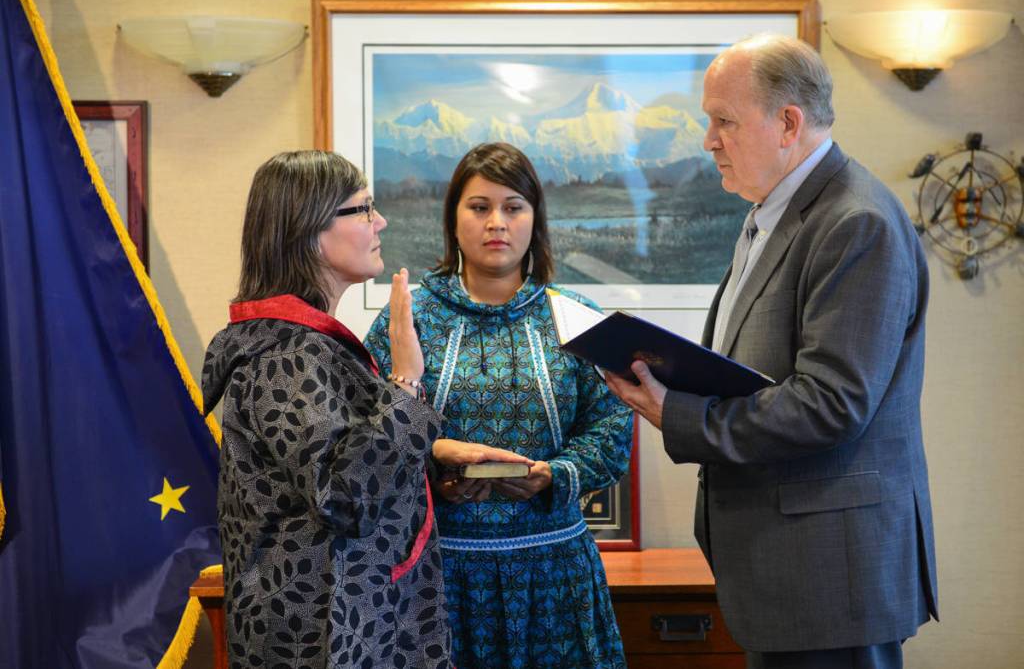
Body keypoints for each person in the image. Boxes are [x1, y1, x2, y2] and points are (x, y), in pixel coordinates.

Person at [606, 35, 938, 669]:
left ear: (788, 122)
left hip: (831, 573)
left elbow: (831, 404)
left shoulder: (855, 221)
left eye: (723, 120)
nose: (708, 140)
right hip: (784, 567)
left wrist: (678, 412)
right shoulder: (772, 211)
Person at [201, 150, 531, 669]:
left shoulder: (306, 344)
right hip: (322, 639)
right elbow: (345, 498)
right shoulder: (288, 356)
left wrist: (435, 458)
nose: (381, 221)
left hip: (351, 624)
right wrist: (406, 381)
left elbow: (345, 465)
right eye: (362, 209)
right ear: (308, 230)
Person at [365, 142, 634, 668]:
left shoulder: (578, 318)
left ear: (535, 218)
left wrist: (552, 474)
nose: (497, 223)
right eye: (480, 206)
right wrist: (436, 464)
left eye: (513, 207)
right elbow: (370, 437)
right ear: (454, 219)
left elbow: (611, 431)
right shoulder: (407, 317)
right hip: (438, 577)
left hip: (555, 574)